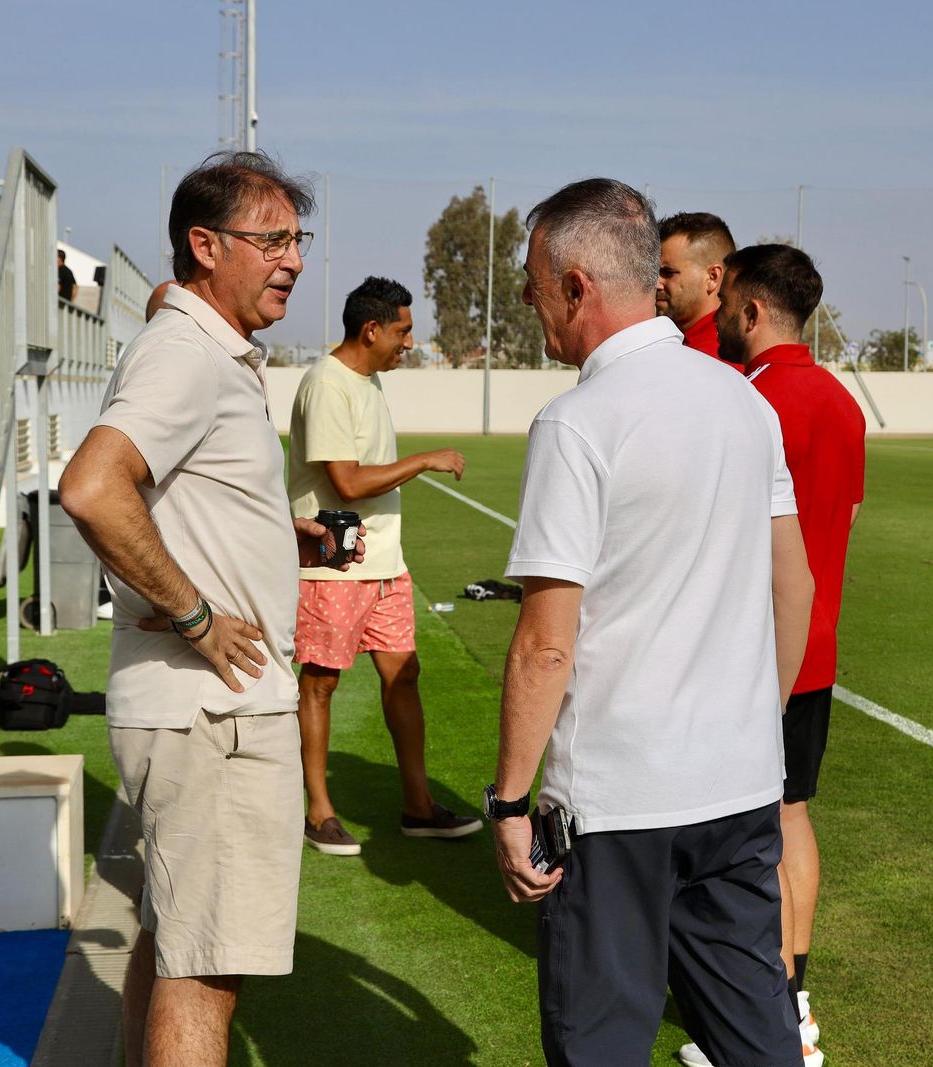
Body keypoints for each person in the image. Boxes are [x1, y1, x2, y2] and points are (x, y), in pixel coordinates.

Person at [489, 178, 818, 1067]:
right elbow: (794, 586)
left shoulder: (577, 422)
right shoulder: (745, 402)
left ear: (576, 287)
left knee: (599, 1042)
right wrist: (756, 721)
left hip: (619, 801)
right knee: (759, 1037)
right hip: (738, 784)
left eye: (532, 286)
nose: (530, 305)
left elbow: (546, 642)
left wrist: (508, 802)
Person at [58, 150, 346, 1067]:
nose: (293, 259)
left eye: (298, 239)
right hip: (213, 713)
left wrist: (272, 540)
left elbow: (170, 497)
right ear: (205, 245)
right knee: (206, 971)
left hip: (197, 711)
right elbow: (93, 488)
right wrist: (195, 615)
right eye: (272, 240)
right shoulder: (187, 352)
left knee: (174, 940)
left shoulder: (199, 345)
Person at [688, 243, 867, 1067]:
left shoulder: (747, 399)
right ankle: (794, 1007)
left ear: (752, 309)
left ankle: (769, 1020)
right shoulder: (841, 401)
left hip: (754, 650)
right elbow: (844, 522)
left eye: (726, 299)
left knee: (745, 837)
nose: (717, 312)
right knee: (792, 815)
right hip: (817, 644)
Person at [289, 275, 482, 855]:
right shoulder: (327, 384)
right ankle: (318, 811)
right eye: (403, 332)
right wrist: (422, 460)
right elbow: (346, 483)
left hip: (384, 567)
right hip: (333, 567)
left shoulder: (368, 380)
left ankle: (418, 808)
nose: (409, 343)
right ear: (371, 330)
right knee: (321, 683)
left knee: (405, 677)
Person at [655, 211, 736, 364]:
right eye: (655, 272)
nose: (656, 283)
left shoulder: (721, 357)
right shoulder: (681, 345)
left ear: (712, 277)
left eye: (668, 272)